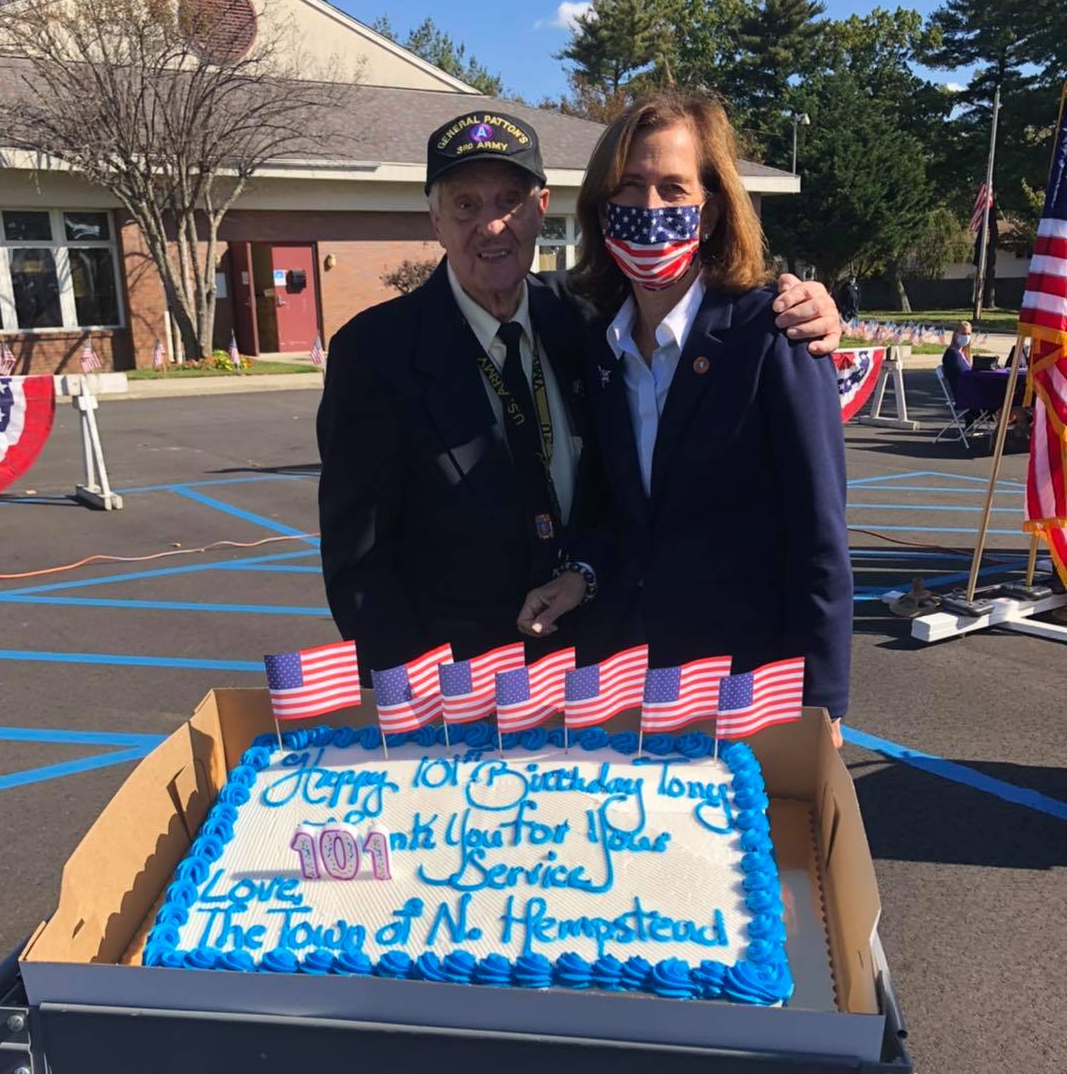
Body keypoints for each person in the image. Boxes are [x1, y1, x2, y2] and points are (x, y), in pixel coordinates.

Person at [318, 107, 843, 680]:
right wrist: (411, 696)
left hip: (601, 671)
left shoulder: (590, 320)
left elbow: (625, 508)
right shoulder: (374, 355)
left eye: (510, 201)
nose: (492, 226)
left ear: (541, 210)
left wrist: (814, 306)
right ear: (435, 218)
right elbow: (359, 564)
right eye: (466, 204)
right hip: (464, 688)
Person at [516, 92, 851, 746]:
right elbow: (627, 516)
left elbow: (819, 539)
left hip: (740, 687)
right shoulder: (601, 342)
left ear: (713, 209)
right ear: (601, 206)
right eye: (631, 187)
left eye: (674, 189)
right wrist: (580, 572)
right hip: (624, 675)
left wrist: (823, 705)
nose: (650, 209)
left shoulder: (774, 334)